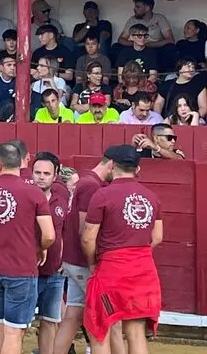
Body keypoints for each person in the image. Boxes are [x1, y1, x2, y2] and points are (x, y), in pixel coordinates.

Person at [81, 145, 163, 354]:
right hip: (143, 268)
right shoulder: (151, 196)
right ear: (137, 169)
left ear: (112, 166)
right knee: (135, 332)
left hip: (112, 269)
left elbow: (88, 237)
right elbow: (157, 237)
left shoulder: (102, 195)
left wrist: (93, 262)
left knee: (101, 328)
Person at [0, 142, 54, 354]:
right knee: (14, 331)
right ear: (21, 163)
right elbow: (49, 235)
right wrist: (40, 248)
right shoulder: (34, 193)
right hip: (21, 268)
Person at [52, 151, 116, 354]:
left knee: (73, 314)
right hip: (82, 262)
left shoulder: (87, 182)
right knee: (104, 316)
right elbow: (84, 229)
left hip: (73, 260)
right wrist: (93, 261)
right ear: (111, 165)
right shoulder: (91, 186)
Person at [31, 152, 68, 354]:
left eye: (46, 173)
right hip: (27, 273)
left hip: (54, 272)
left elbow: (65, 232)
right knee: (19, 324)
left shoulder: (61, 199)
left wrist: (64, 260)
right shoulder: (24, 197)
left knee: (50, 321)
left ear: (55, 176)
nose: (41, 177)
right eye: (37, 173)